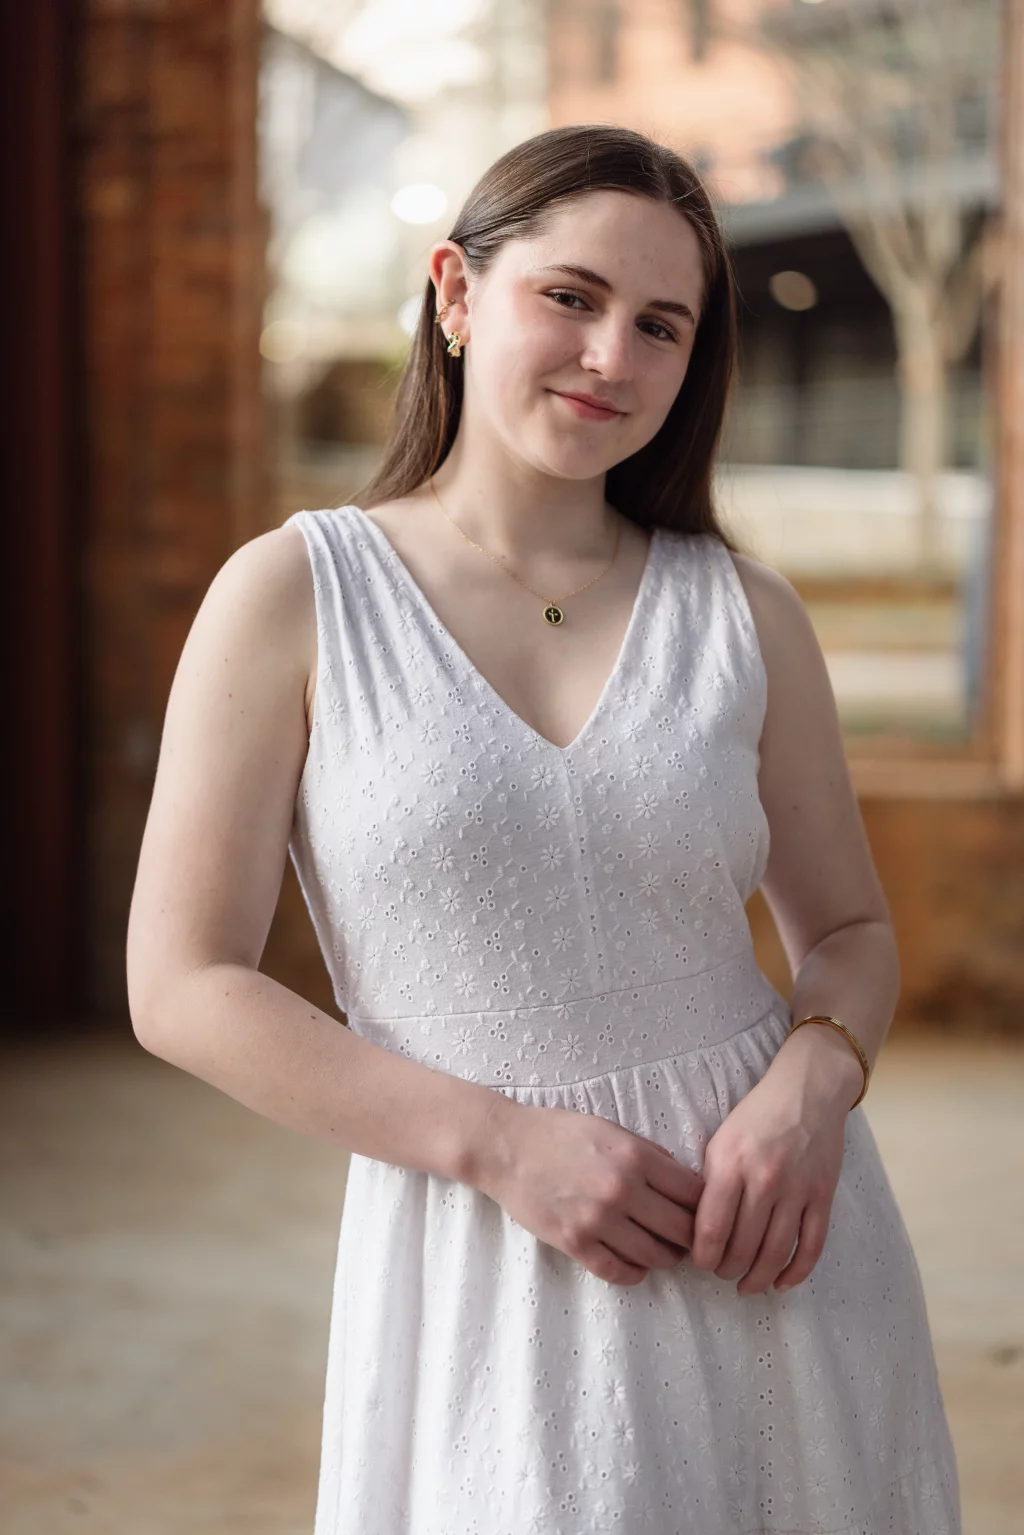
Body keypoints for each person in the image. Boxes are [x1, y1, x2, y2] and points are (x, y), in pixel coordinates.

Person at [126, 123, 961, 1533]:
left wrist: (814, 1092)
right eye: (569, 298)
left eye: (661, 325)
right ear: (455, 294)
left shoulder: (747, 615)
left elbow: (854, 933)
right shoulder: (292, 596)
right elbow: (181, 984)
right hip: (484, 1252)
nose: (612, 358)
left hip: (776, 1250)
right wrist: (501, 1144)